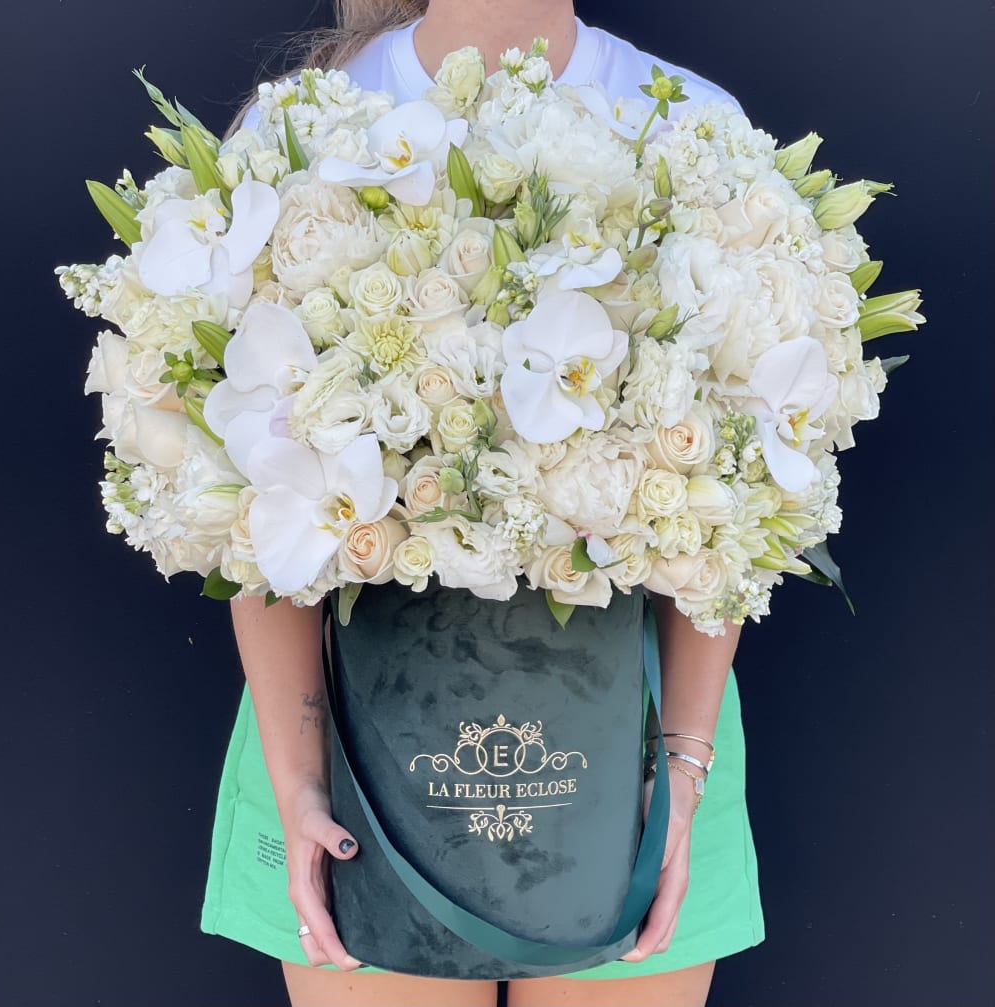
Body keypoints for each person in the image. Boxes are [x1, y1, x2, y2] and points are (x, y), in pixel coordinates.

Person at [199, 2, 765, 1004]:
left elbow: (725, 514)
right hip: (347, 750)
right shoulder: (298, 129)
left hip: (638, 737)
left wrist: (680, 763)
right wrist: (297, 775)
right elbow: (251, 495)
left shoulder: (691, 125)